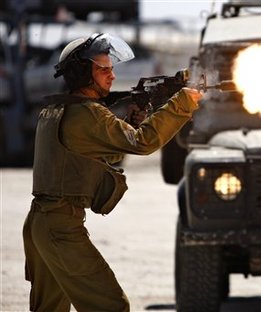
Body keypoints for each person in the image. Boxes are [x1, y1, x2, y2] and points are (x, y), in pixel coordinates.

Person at [22, 33, 201, 312]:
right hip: (60, 228)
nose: (112, 76)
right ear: (83, 74)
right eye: (103, 70)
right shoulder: (90, 115)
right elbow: (143, 143)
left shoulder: (57, 108)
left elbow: (100, 151)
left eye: (111, 69)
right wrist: (182, 103)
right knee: (111, 306)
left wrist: (129, 122)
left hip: (40, 223)